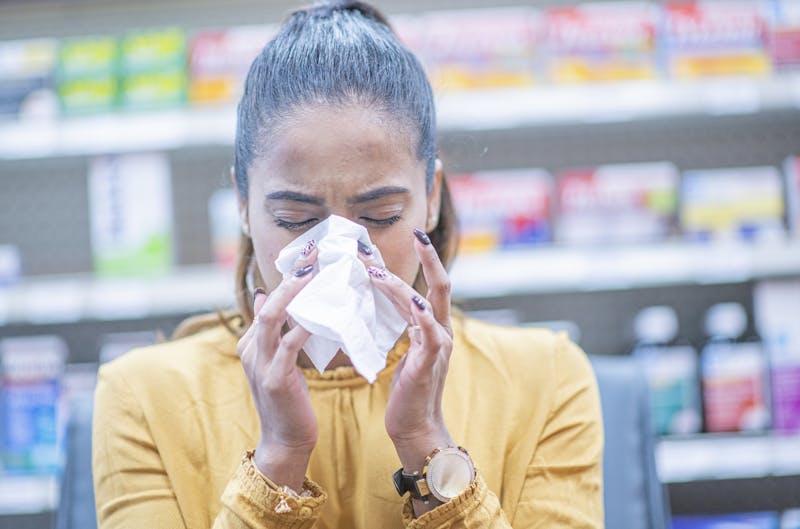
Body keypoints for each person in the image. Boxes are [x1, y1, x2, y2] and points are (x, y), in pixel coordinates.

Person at [92, 2, 604, 528]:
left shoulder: (546, 379)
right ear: (243, 205)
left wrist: (426, 443)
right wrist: (279, 457)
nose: (340, 254)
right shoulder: (144, 397)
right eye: (295, 219)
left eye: (380, 216)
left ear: (431, 196)